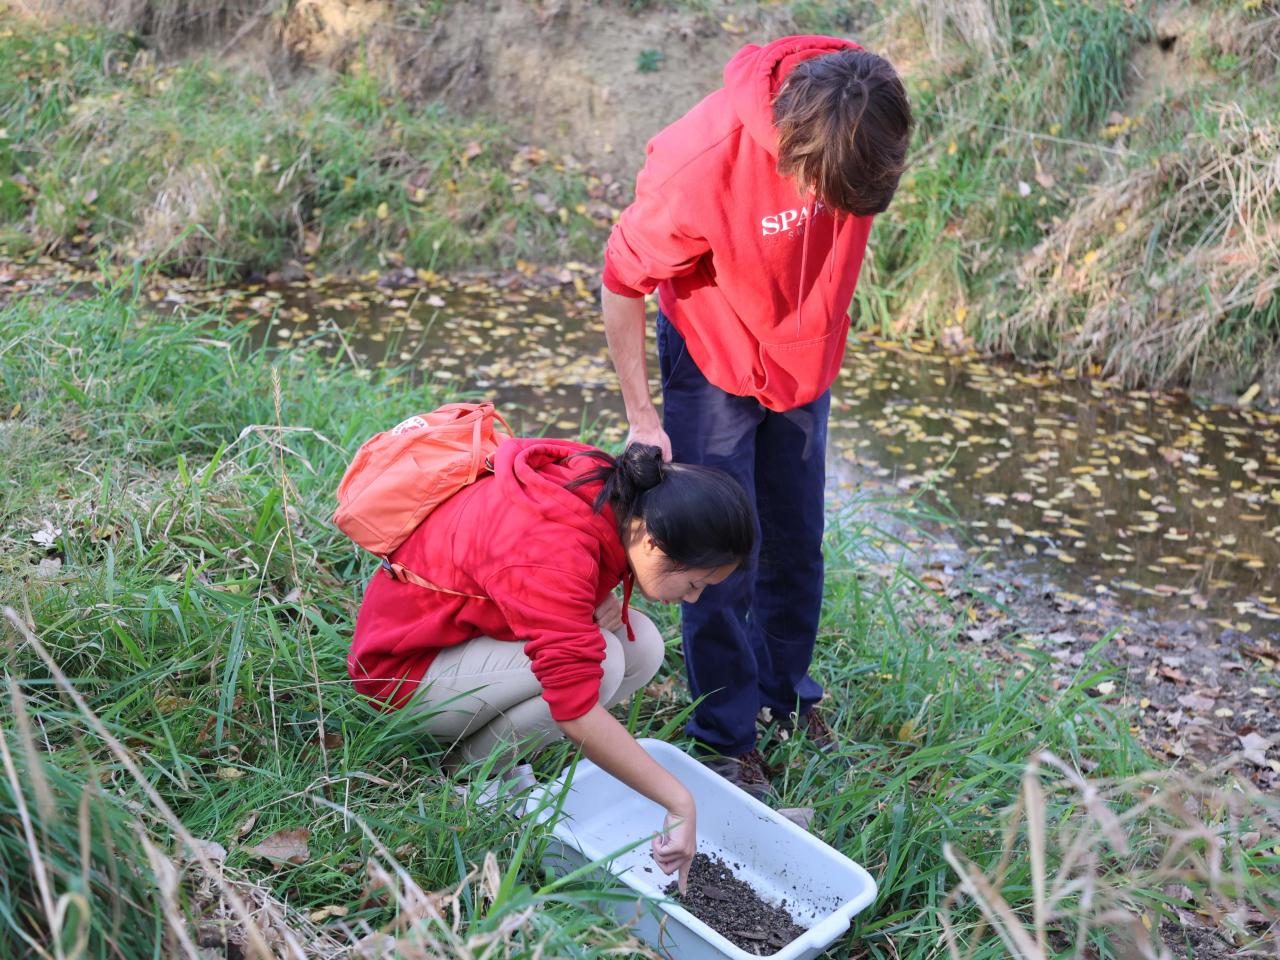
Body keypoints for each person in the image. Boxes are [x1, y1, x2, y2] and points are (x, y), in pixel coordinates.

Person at [600, 35, 913, 798]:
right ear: (791, 155)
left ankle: (783, 695)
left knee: (798, 542)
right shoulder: (701, 160)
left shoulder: (867, 116)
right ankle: (725, 738)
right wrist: (643, 416)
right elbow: (619, 277)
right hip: (714, 360)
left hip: (805, 363)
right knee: (718, 555)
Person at [349, 438, 754, 889]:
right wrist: (679, 801)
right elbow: (575, 708)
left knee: (644, 646)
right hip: (402, 672)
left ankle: (499, 756)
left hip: (458, 637)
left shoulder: (612, 491)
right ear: (654, 541)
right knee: (598, 668)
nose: (695, 598)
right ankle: (470, 773)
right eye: (696, 582)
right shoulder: (553, 546)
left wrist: (600, 596)